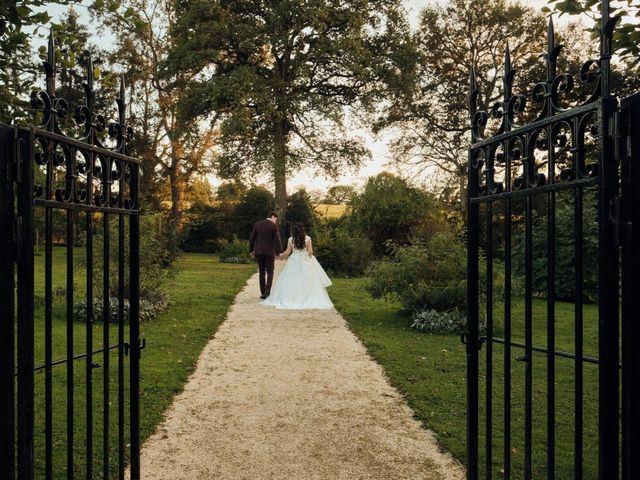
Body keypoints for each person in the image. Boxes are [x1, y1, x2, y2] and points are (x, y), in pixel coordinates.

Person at [261, 222, 333, 309]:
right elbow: (310, 252)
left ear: (294, 230)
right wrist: (307, 256)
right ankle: (305, 298)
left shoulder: (291, 239)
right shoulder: (308, 238)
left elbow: (287, 252)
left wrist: (280, 256)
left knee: (292, 279)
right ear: (303, 229)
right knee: (307, 280)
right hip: (304, 259)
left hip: (294, 260)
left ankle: (291, 298)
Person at [249, 212, 283, 299]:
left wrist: (252, 250)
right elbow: (277, 240)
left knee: (262, 272)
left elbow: (252, 238)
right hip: (269, 252)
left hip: (259, 251)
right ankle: (267, 292)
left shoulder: (257, 224)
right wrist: (279, 252)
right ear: (272, 216)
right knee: (270, 272)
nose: (276, 221)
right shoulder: (274, 226)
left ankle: (263, 292)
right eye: (276, 219)